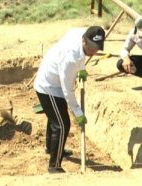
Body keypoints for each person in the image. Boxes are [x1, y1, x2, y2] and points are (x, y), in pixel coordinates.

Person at [34, 26, 105, 174]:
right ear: (84, 40)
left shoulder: (79, 33)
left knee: (56, 117)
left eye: (97, 48)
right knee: (61, 123)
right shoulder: (70, 58)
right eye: (91, 47)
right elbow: (68, 90)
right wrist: (78, 113)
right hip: (49, 86)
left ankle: (51, 147)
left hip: (56, 80)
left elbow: (79, 51)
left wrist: (82, 68)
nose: (93, 51)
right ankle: (54, 165)